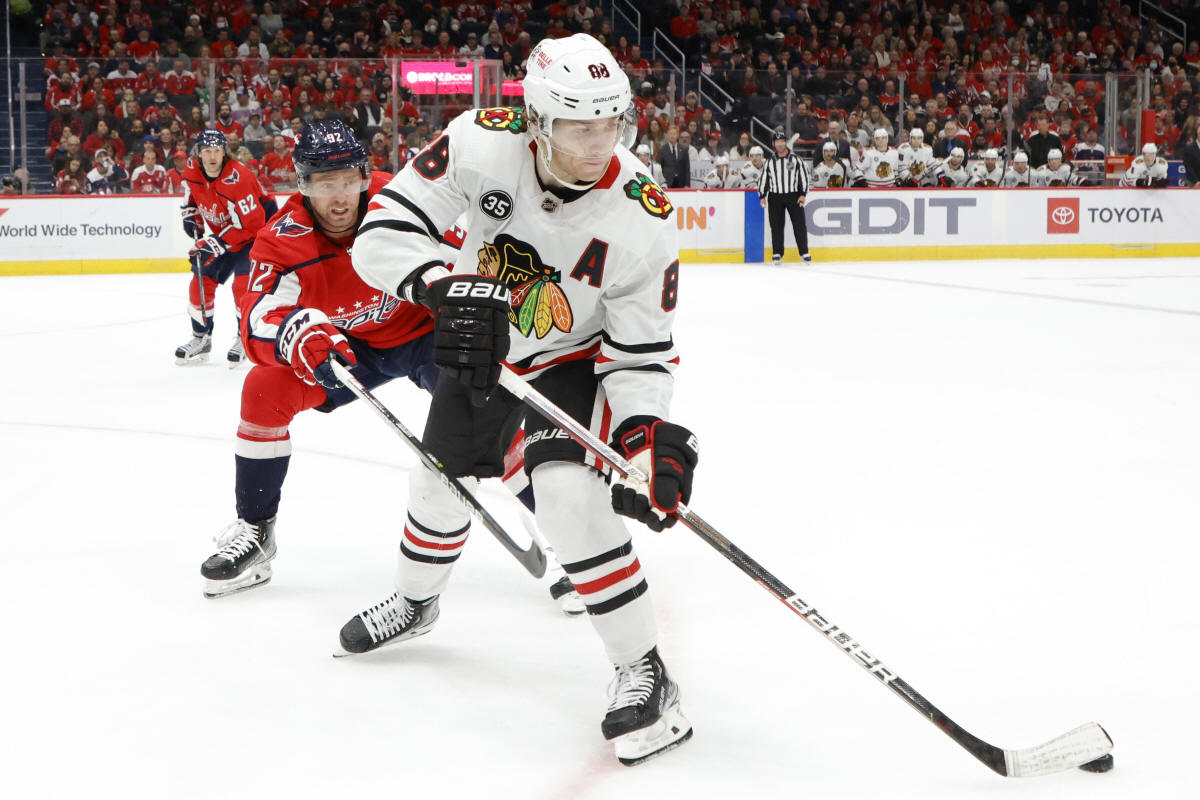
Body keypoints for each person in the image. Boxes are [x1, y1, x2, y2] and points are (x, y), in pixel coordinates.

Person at [347, 33, 698, 767]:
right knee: (438, 483)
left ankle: (645, 669)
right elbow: (380, 233)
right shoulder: (479, 140)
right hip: (483, 342)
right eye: (578, 126)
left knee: (568, 499)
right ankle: (417, 602)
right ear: (536, 120)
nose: (598, 144)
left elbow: (640, 353)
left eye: (611, 123)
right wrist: (441, 286)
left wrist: (643, 438)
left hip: (571, 362)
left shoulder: (642, 213)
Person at [176, 129, 277, 366]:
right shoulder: (192, 168)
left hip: (258, 234)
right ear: (198, 154)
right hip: (230, 232)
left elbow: (253, 226)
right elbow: (191, 193)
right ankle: (201, 338)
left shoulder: (239, 178)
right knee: (200, 280)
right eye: (206, 151)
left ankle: (245, 338)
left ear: (225, 152)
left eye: (217, 150)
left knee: (242, 286)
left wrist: (215, 243)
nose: (212, 156)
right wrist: (190, 214)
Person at [759, 130, 810, 264]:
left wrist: (802, 194)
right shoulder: (769, 161)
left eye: (782, 141)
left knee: (799, 225)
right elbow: (764, 179)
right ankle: (777, 253)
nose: (780, 144)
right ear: (774, 144)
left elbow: (804, 177)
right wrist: (762, 195)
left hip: (793, 195)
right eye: (777, 142)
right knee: (776, 226)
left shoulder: (796, 159)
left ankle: (804, 252)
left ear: (786, 143)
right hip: (775, 196)